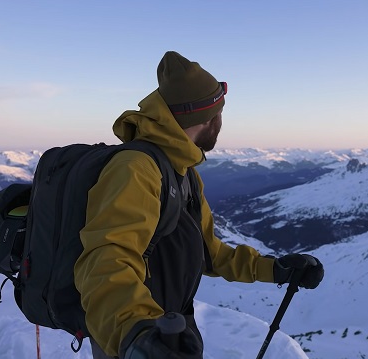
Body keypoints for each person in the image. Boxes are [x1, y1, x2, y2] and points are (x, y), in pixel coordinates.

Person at [74, 51, 325, 359]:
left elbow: (210, 253)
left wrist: (276, 269)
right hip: (136, 341)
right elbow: (105, 260)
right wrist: (138, 333)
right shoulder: (136, 169)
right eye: (220, 113)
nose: (221, 121)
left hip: (172, 332)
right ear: (206, 118)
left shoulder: (183, 171)